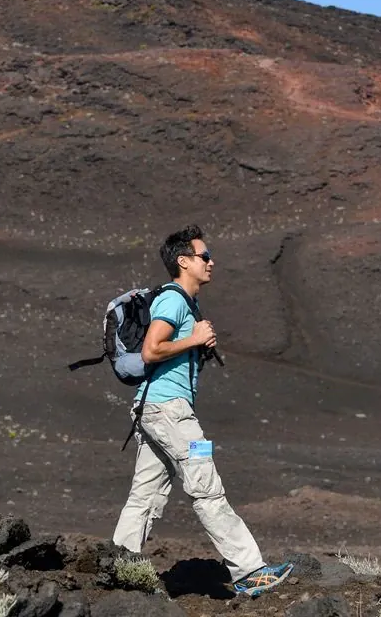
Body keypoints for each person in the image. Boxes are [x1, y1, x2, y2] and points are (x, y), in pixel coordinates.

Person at [111, 225, 294, 598]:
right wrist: (193, 339)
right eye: (204, 256)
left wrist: (195, 341)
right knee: (207, 488)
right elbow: (150, 351)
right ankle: (249, 571)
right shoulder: (173, 301)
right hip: (170, 412)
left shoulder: (187, 304)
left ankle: (120, 568)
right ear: (183, 261)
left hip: (158, 410)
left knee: (145, 495)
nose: (212, 262)